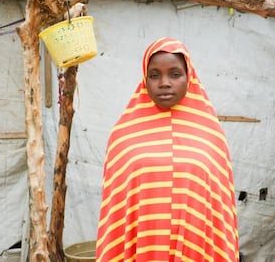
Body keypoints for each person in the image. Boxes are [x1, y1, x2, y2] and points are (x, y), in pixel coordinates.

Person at [96, 37, 239, 261]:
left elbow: (219, 209)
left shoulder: (211, 135)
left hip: (196, 245)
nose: (164, 82)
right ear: (145, 78)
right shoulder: (123, 135)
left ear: (188, 76)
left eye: (174, 74)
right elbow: (117, 210)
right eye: (154, 75)